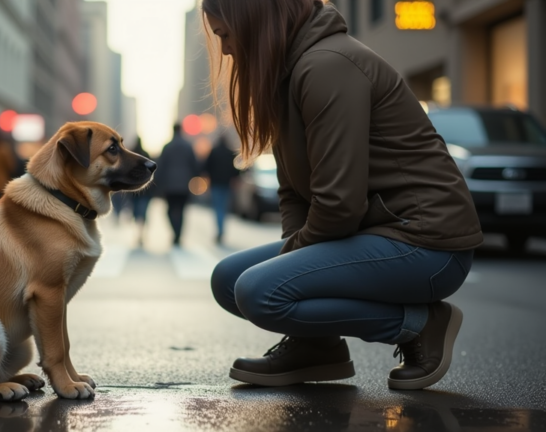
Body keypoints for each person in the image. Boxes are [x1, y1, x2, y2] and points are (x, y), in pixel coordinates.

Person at [205, 0, 482, 391]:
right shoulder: (289, 74)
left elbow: (338, 205)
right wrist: (295, 258)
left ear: (254, 22)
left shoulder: (327, 65)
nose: (227, 49)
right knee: (229, 280)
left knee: (257, 289)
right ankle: (317, 348)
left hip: (426, 244)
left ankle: (423, 325)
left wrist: (289, 269)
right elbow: (294, 191)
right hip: (372, 233)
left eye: (225, 35)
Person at [154, 124, 200, 246]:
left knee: (170, 211)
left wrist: (157, 183)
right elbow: (195, 165)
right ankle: (178, 234)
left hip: (169, 186)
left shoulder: (167, 147)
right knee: (181, 210)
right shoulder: (188, 146)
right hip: (184, 185)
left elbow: (160, 166)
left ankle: (176, 232)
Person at [203, 136, 240, 245]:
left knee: (218, 208)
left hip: (215, 184)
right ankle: (221, 230)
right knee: (223, 208)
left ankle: (219, 231)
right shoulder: (230, 153)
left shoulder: (214, 152)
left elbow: (206, 167)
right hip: (226, 184)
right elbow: (236, 170)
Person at [129, 137, 153, 246]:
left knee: (136, 210)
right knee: (143, 211)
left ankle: (138, 232)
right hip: (144, 190)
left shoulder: (131, 153)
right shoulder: (146, 154)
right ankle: (141, 233)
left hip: (133, 189)